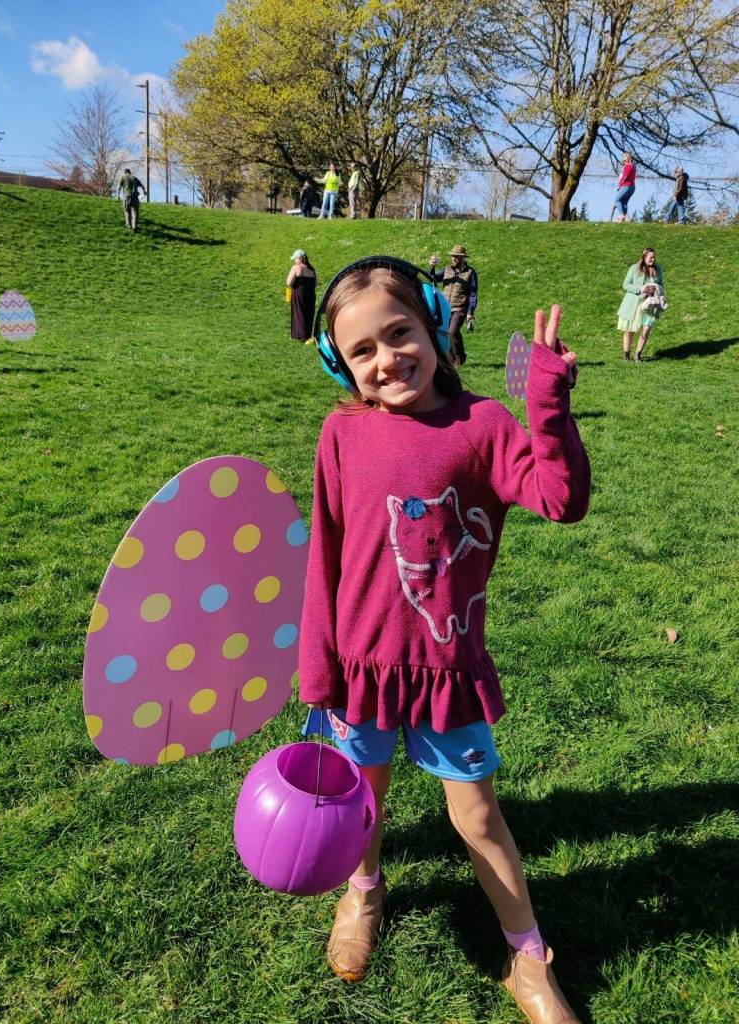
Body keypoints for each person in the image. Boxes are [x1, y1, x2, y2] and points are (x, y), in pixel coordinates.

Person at [301, 256, 590, 1024]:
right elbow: (324, 555)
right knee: (364, 803)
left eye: (400, 334)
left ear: (434, 326)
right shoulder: (341, 433)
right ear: (341, 363)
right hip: (360, 672)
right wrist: (316, 669)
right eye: (362, 350)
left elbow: (562, 501)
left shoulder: (483, 425)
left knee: (478, 818)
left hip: (444, 672)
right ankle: (362, 895)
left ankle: (528, 959)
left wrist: (547, 406)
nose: (386, 359)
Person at [429, 245, 478, 365]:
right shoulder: (447, 270)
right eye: (453, 256)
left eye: (457, 256)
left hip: (460, 307)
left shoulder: (470, 273)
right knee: (445, 333)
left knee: (452, 332)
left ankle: (459, 358)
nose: (454, 258)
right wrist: (432, 267)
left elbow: (473, 294)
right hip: (445, 307)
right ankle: (452, 359)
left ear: (463, 258)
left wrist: (470, 312)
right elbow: (433, 279)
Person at [617, 247, 665, 362]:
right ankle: (626, 354)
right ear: (644, 257)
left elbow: (661, 286)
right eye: (650, 257)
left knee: (646, 329)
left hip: (650, 304)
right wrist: (641, 288)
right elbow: (626, 285)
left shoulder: (658, 270)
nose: (653, 260)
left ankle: (638, 354)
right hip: (633, 303)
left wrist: (656, 288)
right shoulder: (634, 268)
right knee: (629, 330)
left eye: (654, 257)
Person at [286, 249, 317, 342]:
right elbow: (316, 283)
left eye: (295, 258)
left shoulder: (296, 267)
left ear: (300, 258)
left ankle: (299, 336)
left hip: (299, 293)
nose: (294, 260)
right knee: (308, 314)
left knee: (299, 313)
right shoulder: (312, 269)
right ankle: (307, 335)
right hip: (311, 293)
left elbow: (288, 282)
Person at [612, 153, 636, 222]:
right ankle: (624, 218)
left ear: (628, 159)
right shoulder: (633, 167)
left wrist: (620, 184)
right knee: (624, 202)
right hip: (632, 187)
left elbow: (625, 177)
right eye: (623, 161)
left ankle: (622, 215)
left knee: (617, 200)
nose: (623, 162)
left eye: (624, 160)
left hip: (626, 186)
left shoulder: (628, 166)